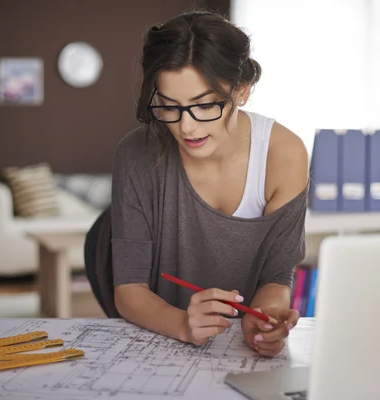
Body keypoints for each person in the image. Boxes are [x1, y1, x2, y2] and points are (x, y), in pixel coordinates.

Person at [85, 10, 309, 358]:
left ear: (243, 91)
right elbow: (129, 291)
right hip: (159, 338)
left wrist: (263, 321)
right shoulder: (136, 153)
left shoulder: (285, 155)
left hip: (231, 350)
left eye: (204, 106)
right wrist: (183, 325)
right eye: (168, 106)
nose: (187, 128)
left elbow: (276, 278)